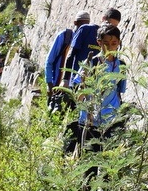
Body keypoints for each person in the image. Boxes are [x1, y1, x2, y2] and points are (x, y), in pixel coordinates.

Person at [64, 24, 126, 160]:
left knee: (110, 163)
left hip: (111, 121)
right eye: (106, 43)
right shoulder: (91, 62)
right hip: (90, 121)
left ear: (119, 43)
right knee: (89, 163)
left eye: (114, 43)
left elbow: (119, 91)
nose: (110, 46)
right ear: (99, 43)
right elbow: (78, 88)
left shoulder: (121, 65)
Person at [44, 17, 77, 107]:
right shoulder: (64, 36)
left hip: (72, 91)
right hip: (56, 87)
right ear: (75, 23)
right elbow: (49, 61)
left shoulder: (84, 42)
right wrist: (49, 84)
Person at [62, 11, 99, 88]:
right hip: (82, 80)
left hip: (84, 81)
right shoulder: (90, 32)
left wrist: (65, 80)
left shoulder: (85, 31)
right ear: (75, 23)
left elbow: (70, 56)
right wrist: (65, 80)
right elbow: (70, 56)